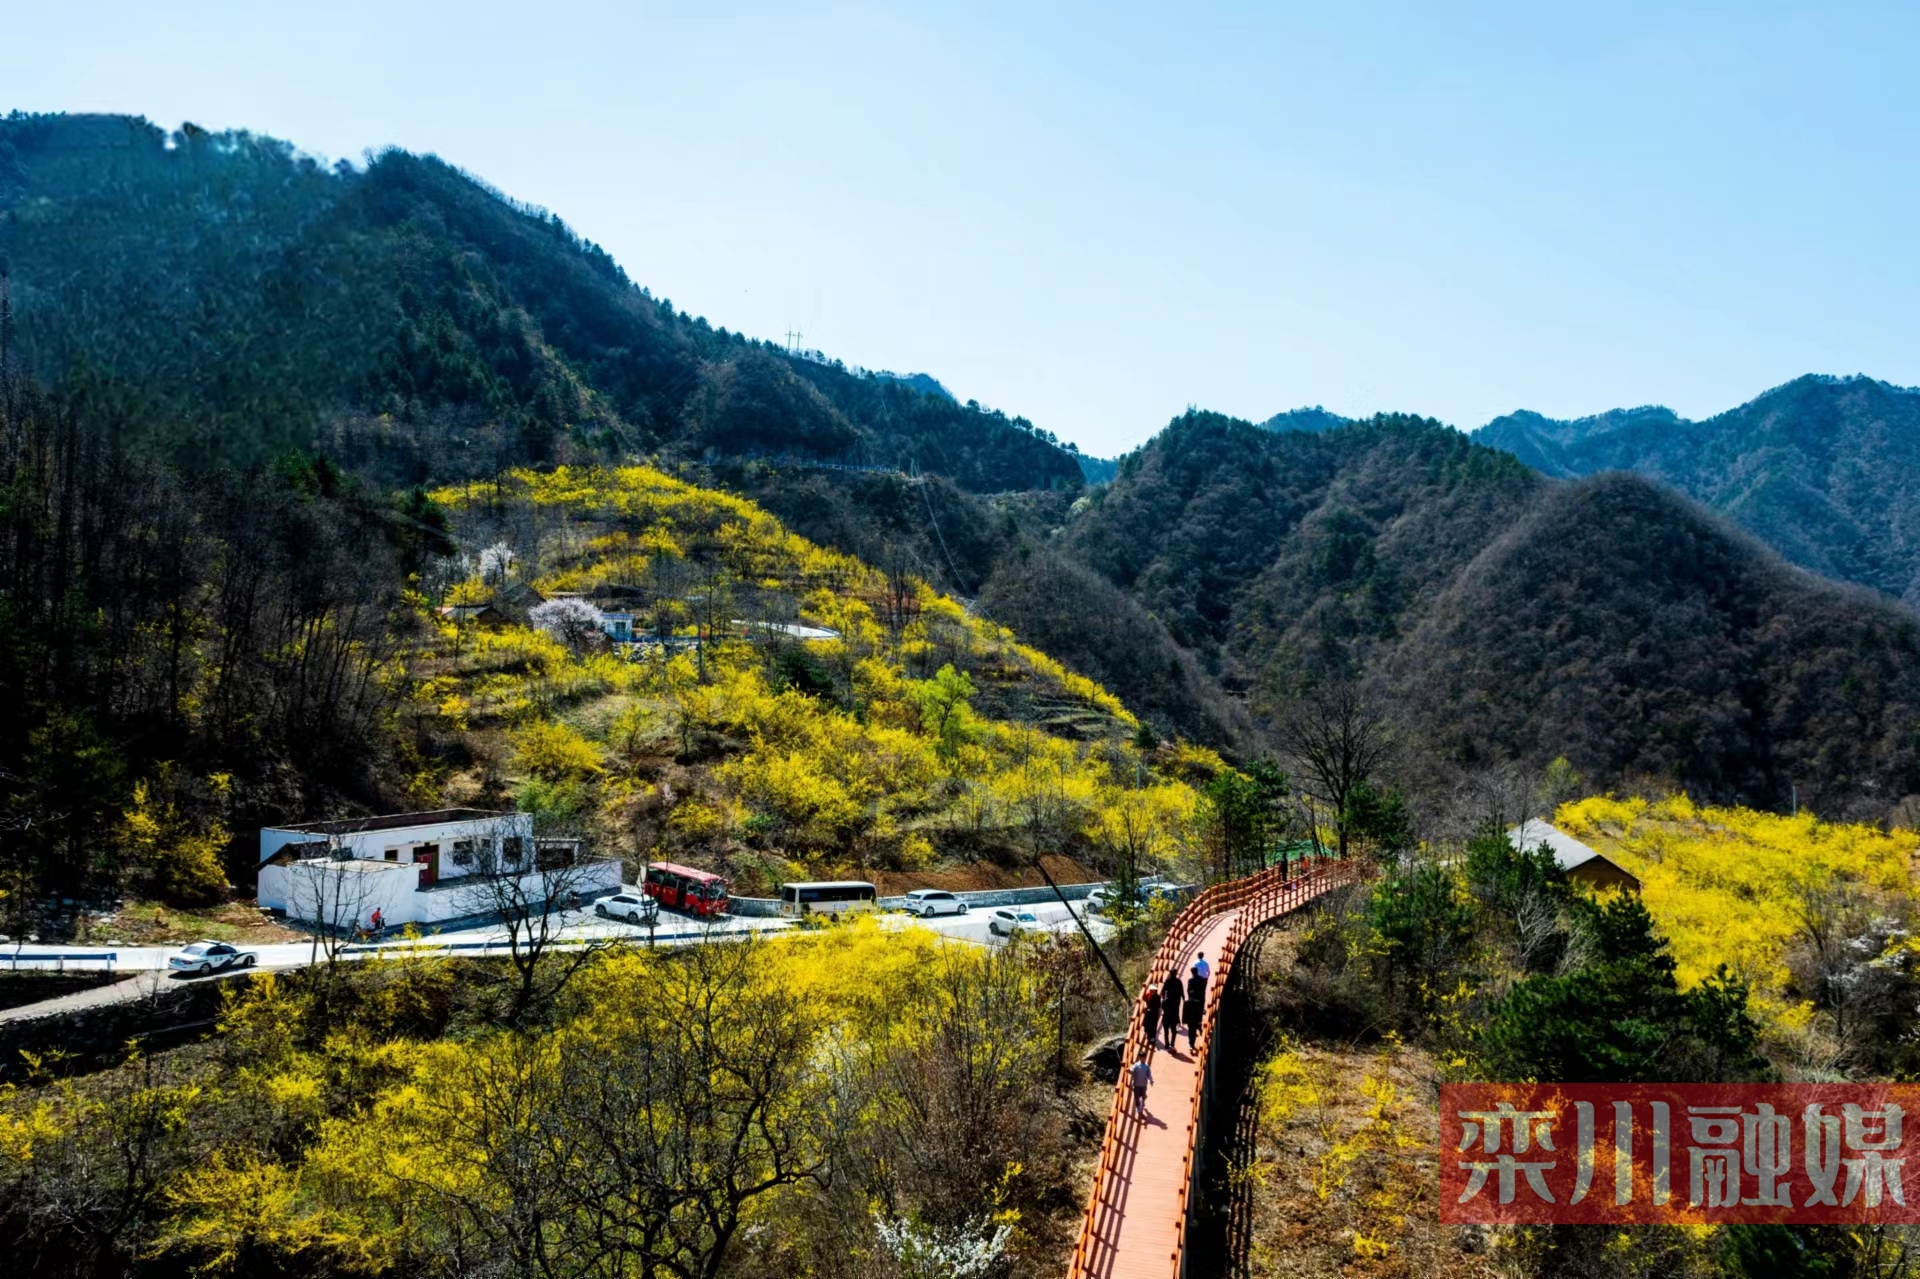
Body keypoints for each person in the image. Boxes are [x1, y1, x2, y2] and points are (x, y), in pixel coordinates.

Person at [1184, 965, 1207, 1051]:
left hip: (1192, 1001)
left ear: (1192, 972)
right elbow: (1203, 989)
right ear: (1197, 972)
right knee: (1199, 1014)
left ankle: (1191, 1044)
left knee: (1191, 1027)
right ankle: (1199, 1025)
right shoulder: (1202, 979)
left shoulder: (1190, 980)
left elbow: (1188, 990)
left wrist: (1191, 996)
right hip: (1200, 1000)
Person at [1160, 971, 1184, 1049]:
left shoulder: (1165, 1002)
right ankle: (1171, 1044)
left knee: (1167, 1031)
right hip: (1174, 1010)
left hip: (1167, 1016)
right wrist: (1183, 997)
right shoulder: (1177, 981)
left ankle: (1168, 1044)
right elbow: (1181, 990)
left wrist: (1164, 997)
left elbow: (1163, 991)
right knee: (1173, 1031)